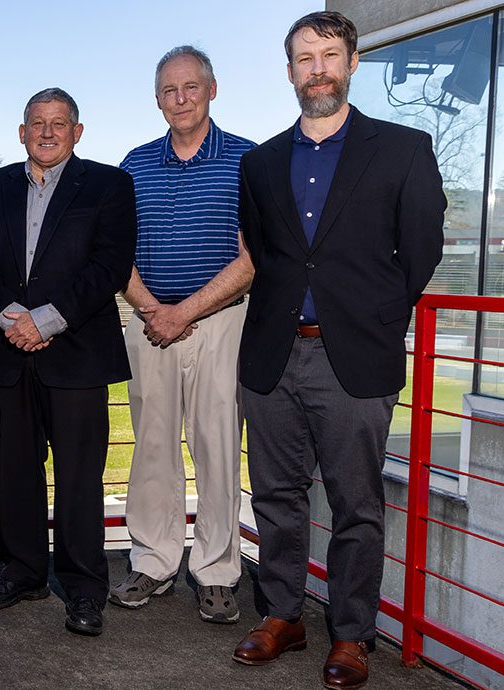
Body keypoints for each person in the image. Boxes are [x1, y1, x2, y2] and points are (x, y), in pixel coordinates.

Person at [232, 12, 445, 689]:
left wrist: (373, 319)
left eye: (329, 55)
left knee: (356, 505)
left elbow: (420, 254)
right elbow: (265, 254)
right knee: (275, 497)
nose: (317, 68)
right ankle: (283, 616)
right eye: (304, 57)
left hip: (353, 357)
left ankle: (352, 634)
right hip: (272, 356)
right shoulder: (260, 162)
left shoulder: (404, 149)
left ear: (351, 62)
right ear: (290, 71)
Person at [0, 88, 136, 636]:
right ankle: (24, 572)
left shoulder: (109, 184)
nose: (48, 132)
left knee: (80, 478)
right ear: (22, 131)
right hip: (12, 351)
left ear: (77, 132)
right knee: (16, 472)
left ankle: (84, 590)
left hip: (77, 355)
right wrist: (15, 320)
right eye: (38, 122)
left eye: (59, 123)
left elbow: (110, 266)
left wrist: (48, 320)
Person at [113, 46, 255, 623]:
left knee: (217, 445)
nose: (180, 99)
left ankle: (218, 570)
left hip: (221, 323)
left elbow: (253, 258)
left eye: (191, 87)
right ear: (156, 98)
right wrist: (154, 310)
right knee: (151, 448)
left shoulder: (248, 160)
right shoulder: (135, 163)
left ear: (212, 90)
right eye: (169, 90)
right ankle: (153, 561)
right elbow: (115, 252)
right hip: (148, 323)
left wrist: (187, 311)